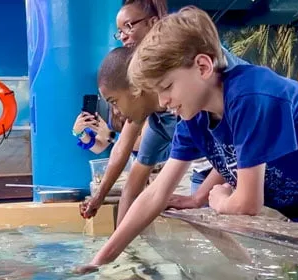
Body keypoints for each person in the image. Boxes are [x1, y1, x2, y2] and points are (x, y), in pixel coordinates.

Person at [75, 6, 298, 274]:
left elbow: (247, 204)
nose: (163, 101)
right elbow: (155, 193)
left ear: (202, 66)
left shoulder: (251, 96)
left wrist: (218, 199)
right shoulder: (194, 118)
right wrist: (100, 261)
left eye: (167, 87)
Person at [80, 0, 246, 223]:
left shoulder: (198, 63)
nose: (123, 36)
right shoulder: (161, 111)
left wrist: (200, 197)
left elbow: (237, 140)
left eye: (129, 26)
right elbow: (128, 155)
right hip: (211, 165)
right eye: (119, 31)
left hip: (242, 158)